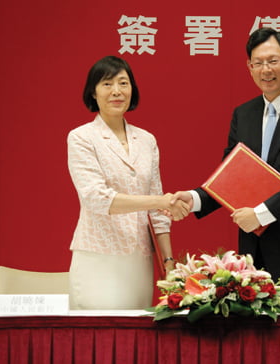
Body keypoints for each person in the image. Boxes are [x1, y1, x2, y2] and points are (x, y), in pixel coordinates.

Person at [172, 28, 280, 310]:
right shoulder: (244, 113)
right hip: (253, 260)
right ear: (249, 67)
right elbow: (229, 176)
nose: (266, 70)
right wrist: (194, 199)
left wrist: (261, 215)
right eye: (258, 63)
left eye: (273, 61)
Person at [67, 56, 189, 310]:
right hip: (98, 257)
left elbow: (159, 214)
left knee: (136, 338)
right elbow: (97, 198)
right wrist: (160, 200)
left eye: (123, 83)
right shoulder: (81, 138)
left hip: (139, 259)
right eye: (107, 84)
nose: (116, 91)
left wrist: (168, 262)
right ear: (93, 92)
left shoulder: (146, 140)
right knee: (99, 339)